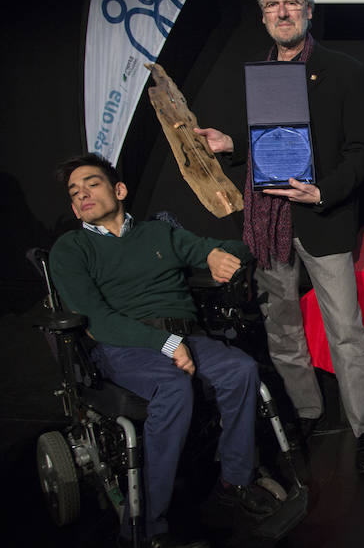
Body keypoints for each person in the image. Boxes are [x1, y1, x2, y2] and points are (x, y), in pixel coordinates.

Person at [195, 0, 364, 474]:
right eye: (272, 5)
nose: (282, 12)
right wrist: (230, 143)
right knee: (282, 329)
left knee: (345, 330)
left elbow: (360, 149)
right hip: (267, 222)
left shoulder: (343, 70)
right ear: (263, 16)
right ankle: (306, 409)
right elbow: (268, 140)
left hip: (322, 219)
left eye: (292, 4)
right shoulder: (259, 73)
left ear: (308, 11)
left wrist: (324, 191)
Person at [49, 153, 278, 548]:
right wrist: (166, 344)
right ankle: (145, 524)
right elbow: (97, 319)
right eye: (75, 192)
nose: (83, 194)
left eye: (92, 183)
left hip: (186, 336)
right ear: (73, 208)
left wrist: (219, 256)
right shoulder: (71, 249)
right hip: (125, 346)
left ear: (118, 190)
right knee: (173, 387)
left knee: (241, 369)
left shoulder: (158, 234)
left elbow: (230, 246)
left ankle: (235, 481)